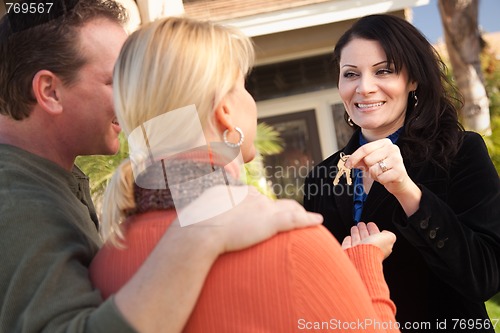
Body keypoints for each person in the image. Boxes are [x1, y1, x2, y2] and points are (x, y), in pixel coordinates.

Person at [0, 1, 326, 332]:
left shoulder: (44, 180)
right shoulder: (15, 201)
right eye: (117, 82)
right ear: (49, 91)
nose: (132, 100)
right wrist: (200, 235)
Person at [89, 16, 401, 332]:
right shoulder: (290, 241)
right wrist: (365, 266)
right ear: (225, 111)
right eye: (244, 87)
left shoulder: (104, 261)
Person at [304, 14, 500, 332]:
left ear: (413, 80)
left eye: (384, 71)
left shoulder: (460, 151)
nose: (364, 87)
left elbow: (486, 276)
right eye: (350, 74)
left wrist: (407, 191)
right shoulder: (323, 177)